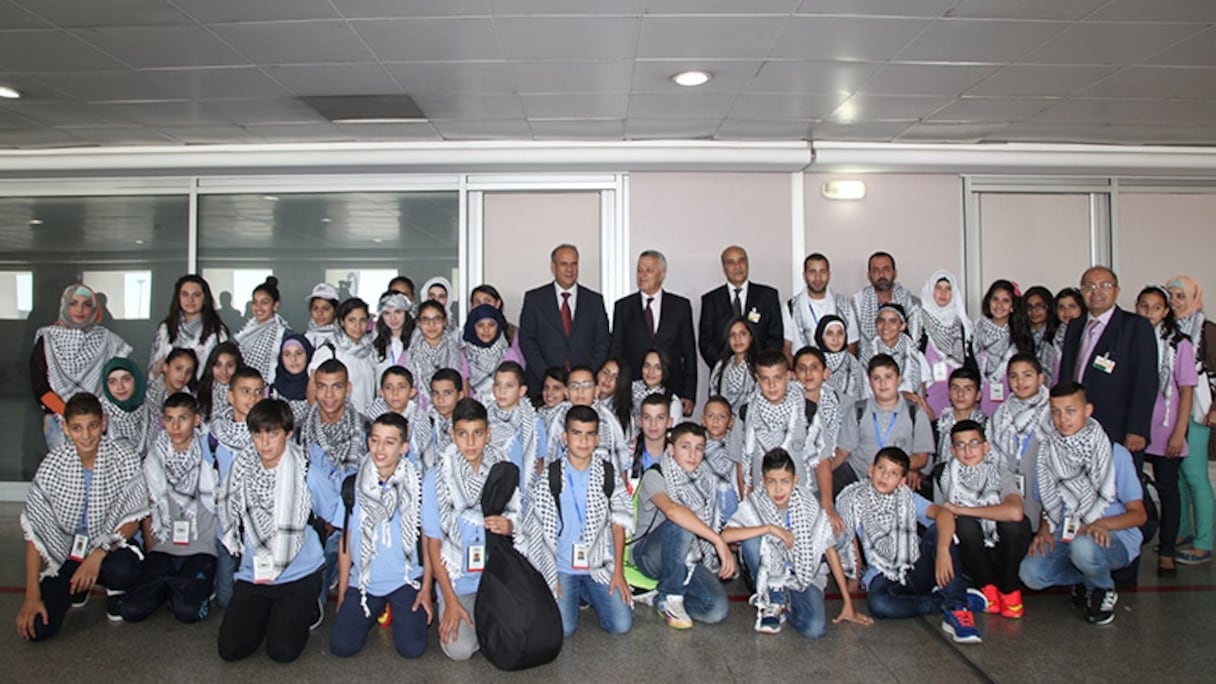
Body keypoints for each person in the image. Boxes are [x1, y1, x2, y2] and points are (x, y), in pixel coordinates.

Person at [17, 393, 147, 641]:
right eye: (77, 428)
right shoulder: (53, 464)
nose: (86, 435)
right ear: (65, 428)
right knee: (38, 627)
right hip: (70, 550)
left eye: (93, 426)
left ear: (104, 423)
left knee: (124, 570)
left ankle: (113, 589)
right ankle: (78, 585)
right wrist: (31, 596)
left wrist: (97, 554)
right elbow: (35, 530)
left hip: (111, 546)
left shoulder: (124, 457)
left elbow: (133, 518)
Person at [1019, 382, 1147, 626]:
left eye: (1070, 411)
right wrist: (1045, 530)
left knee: (1084, 548)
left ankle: (1102, 588)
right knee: (1031, 574)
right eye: (1056, 412)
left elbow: (1138, 515)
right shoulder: (1048, 453)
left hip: (1112, 536)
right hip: (1065, 531)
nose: (1062, 419)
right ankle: (1085, 578)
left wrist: (1102, 524)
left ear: (1088, 410)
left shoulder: (1114, 452)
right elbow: (1048, 504)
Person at [836, 447, 982, 644]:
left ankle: (957, 609)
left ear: (902, 481)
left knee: (938, 532)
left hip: (916, 566)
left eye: (894, 473)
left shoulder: (907, 497)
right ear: (871, 470)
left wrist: (942, 549)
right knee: (879, 605)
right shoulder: (853, 499)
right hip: (883, 574)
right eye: (881, 469)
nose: (885, 476)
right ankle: (943, 601)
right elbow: (849, 539)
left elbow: (944, 514)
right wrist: (853, 578)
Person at [216, 399, 325, 662]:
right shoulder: (241, 468)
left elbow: (333, 516)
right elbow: (227, 512)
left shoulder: (307, 471)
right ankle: (270, 612)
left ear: (288, 434)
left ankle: (309, 601)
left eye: (273, 433)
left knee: (283, 652)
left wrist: (300, 544)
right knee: (230, 649)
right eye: (258, 434)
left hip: (297, 572)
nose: (265, 443)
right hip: (256, 572)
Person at [723, 448, 870, 637]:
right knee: (750, 541)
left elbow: (829, 549)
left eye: (785, 481)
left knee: (814, 629)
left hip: (804, 573)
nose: (778, 489)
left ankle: (785, 605)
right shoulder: (756, 501)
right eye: (771, 482)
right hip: (768, 574)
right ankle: (772, 600)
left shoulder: (807, 504)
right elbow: (726, 535)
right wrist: (769, 528)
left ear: (795, 480)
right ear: (763, 480)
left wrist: (847, 602)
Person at [422, 398, 521, 661]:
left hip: (496, 575)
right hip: (459, 580)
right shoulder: (437, 477)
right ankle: (474, 619)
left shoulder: (502, 468)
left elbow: (521, 516)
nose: (470, 442)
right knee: (460, 650)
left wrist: (510, 524)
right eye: (463, 434)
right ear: (453, 435)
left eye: (477, 433)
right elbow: (433, 544)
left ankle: (486, 623)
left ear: (488, 435)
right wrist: (450, 600)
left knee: (521, 635)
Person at [522, 405, 635, 637]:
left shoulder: (608, 473)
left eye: (589, 434)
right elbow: (539, 532)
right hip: (562, 566)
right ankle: (577, 590)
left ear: (597, 439)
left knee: (621, 625)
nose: (583, 441)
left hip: (600, 561)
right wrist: (549, 577)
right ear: (565, 437)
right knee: (563, 629)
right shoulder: (551, 475)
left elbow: (619, 522)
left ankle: (587, 590)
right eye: (576, 433)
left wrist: (618, 573)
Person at [330, 413, 432, 659]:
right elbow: (346, 540)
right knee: (342, 646)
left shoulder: (418, 485)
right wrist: (343, 590)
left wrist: (427, 587)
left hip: (406, 579)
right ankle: (377, 607)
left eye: (389, 442)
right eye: (375, 440)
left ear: (404, 448)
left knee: (412, 649)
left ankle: (394, 607)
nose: (380, 449)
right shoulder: (353, 484)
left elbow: (429, 539)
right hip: (365, 580)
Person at [121, 393, 217, 624]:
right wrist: (153, 550)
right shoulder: (153, 458)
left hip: (200, 548)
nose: (175, 426)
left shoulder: (209, 455)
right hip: (164, 548)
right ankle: (171, 585)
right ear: (162, 421)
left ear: (195, 420)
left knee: (188, 612)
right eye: (169, 418)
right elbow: (148, 508)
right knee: (131, 610)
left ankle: (188, 588)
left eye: (182, 418)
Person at [631, 422, 735, 630]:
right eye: (685, 446)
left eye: (699, 448)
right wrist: (717, 541)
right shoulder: (656, 474)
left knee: (716, 610)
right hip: (649, 555)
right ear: (671, 449)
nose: (692, 454)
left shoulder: (707, 479)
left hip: (689, 557)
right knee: (681, 522)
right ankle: (670, 598)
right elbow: (671, 510)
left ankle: (659, 595)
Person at [934, 420, 1031, 620]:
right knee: (964, 525)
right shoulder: (944, 475)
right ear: (952, 450)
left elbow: (1015, 512)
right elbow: (942, 517)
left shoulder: (999, 471)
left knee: (1014, 525)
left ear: (986, 446)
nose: (968, 450)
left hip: (1002, 547)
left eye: (974, 443)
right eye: (961, 445)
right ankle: (986, 587)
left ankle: (1009, 587)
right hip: (970, 552)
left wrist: (963, 509)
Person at [821, 354, 935, 523]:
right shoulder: (858, 410)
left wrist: (901, 468)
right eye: (877, 378)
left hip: (895, 479)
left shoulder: (915, 412)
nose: (883, 383)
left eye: (888, 377)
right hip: (858, 476)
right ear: (869, 382)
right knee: (828, 496)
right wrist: (821, 475)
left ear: (899, 380)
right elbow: (842, 453)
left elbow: (922, 457)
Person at [1057, 267, 1157, 452]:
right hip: (1075, 425)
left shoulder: (1135, 327)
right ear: (1082, 292)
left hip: (1118, 427)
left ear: (1116, 291)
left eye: (1105, 285)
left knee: (1119, 480)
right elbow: (1067, 375)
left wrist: (1137, 429)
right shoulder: (1075, 326)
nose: (1096, 292)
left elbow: (1146, 381)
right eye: (1090, 286)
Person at [1136, 285, 1196, 575]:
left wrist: (1179, 431)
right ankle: (1135, 541)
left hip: (1166, 428)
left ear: (1166, 311)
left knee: (1168, 490)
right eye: (1143, 306)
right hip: (1135, 428)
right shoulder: (1130, 340)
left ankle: (1167, 551)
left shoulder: (1178, 344)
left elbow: (1186, 391)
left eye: (1156, 307)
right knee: (1133, 488)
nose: (1149, 313)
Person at [31, 283, 132, 450]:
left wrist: (91, 416)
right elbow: (39, 385)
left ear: (93, 309)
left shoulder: (107, 340)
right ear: (64, 307)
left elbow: (120, 378)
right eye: (73, 303)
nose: (80, 310)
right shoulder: (48, 338)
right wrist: (70, 414)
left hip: (97, 420)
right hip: (59, 419)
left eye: (86, 304)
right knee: (65, 472)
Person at [301, 360, 369, 599]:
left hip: (356, 516)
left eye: (336, 387)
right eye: (322, 387)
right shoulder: (301, 429)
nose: (329, 395)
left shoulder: (366, 428)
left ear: (348, 388)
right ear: (314, 388)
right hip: (312, 522)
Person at [518, 244, 611, 400]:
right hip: (544, 389)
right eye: (564, 264)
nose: (570, 269)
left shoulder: (594, 301)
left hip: (583, 391)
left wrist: (584, 377)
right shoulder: (534, 299)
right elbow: (527, 340)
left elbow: (603, 341)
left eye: (574, 264)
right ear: (553, 266)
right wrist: (549, 377)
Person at [611, 250, 698, 417]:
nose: (642, 275)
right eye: (639, 270)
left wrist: (689, 392)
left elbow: (689, 353)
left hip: (672, 389)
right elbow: (616, 351)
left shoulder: (680, 306)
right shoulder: (623, 307)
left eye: (649, 270)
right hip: (632, 392)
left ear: (662, 274)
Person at [1167, 275, 1216, 566]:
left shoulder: (1207, 330)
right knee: (1179, 477)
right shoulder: (1170, 330)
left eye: (1180, 296)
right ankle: (1183, 531)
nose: (1174, 302)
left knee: (1196, 477)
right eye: (1171, 296)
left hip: (1198, 413)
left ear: (1194, 297)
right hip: (1172, 412)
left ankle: (1204, 542)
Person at [209, 366, 264, 608]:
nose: (252, 398)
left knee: (256, 596)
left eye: (257, 392)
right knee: (226, 600)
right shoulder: (214, 436)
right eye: (245, 391)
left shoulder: (268, 434)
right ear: (230, 396)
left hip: (259, 526)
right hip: (227, 525)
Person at [698, 245, 784, 367]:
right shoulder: (711, 300)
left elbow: (775, 337)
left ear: (747, 264)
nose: (737, 266)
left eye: (741, 261)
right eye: (731, 262)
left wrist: (760, 366)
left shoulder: (768, 296)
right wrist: (728, 366)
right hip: (724, 374)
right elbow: (706, 342)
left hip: (761, 375)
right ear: (724, 268)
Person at [989, 354, 1050, 520]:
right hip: (1008, 489)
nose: (1020, 382)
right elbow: (990, 456)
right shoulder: (1000, 414)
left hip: (1044, 492)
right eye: (1014, 376)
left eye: (1027, 375)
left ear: (1040, 378)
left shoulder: (1053, 413)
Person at [546, 366, 631, 484]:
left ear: (596, 391)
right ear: (566, 392)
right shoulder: (558, 419)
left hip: (604, 484)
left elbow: (620, 454)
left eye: (586, 386)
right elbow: (550, 455)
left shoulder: (608, 418)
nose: (580, 391)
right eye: (574, 386)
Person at [741, 350, 807, 489]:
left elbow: (822, 460)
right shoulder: (746, 412)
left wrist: (825, 501)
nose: (771, 385)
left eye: (777, 378)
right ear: (757, 378)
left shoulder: (806, 409)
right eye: (765, 379)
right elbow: (740, 462)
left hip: (802, 492)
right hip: (762, 495)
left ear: (788, 376)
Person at [148, 274, 229, 382]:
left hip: (204, 395)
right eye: (185, 294)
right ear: (178, 298)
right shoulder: (166, 329)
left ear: (205, 298)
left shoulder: (217, 331)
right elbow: (154, 371)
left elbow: (223, 371)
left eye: (196, 295)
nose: (190, 300)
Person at [487, 361, 548, 497]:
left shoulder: (534, 422)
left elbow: (539, 464)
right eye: (498, 385)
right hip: (490, 492)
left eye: (509, 386)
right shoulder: (484, 418)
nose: (502, 391)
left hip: (523, 494)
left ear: (522, 391)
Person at [973, 280, 1034, 415]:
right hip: (980, 400)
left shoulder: (1020, 335)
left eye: (1005, 301)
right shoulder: (975, 330)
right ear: (989, 302)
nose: (999, 305)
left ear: (1012, 306)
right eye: (995, 299)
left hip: (1012, 401)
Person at [310, 298, 377, 416]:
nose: (358, 325)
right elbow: (312, 390)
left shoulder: (370, 351)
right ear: (342, 322)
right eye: (352, 320)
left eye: (362, 320)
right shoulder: (329, 350)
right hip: (339, 421)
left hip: (366, 419)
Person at [785, 252, 860, 356]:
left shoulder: (844, 305)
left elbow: (852, 345)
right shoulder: (791, 307)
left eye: (822, 272)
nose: (818, 278)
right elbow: (787, 348)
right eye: (812, 272)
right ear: (804, 275)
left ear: (829, 274)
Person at [919, 270, 972, 417]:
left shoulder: (962, 324)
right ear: (930, 291)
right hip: (928, 401)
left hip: (958, 400)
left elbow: (969, 363)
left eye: (948, 289)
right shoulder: (920, 321)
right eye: (938, 288)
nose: (943, 293)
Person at [858, 303, 931, 410]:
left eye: (892, 321)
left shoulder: (915, 355)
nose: (885, 326)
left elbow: (922, 395)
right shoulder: (867, 356)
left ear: (902, 326)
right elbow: (865, 393)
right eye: (881, 321)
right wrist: (902, 396)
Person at [851, 251, 922, 347]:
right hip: (867, 358)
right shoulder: (857, 302)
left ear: (894, 273)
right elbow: (852, 340)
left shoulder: (910, 301)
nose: (881, 275)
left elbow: (915, 340)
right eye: (876, 271)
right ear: (869, 275)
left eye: (886, 269)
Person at [794, 346, 844, 479]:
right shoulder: (787, 402)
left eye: (814, 367)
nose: (808, 373)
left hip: (825, 468)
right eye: (802, 368)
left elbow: (833, 446)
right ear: (794, 375)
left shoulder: (834, 401)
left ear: (825, 373)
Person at [404, 300, 463, 412]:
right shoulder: (407, 356)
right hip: (418, 415)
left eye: (437, 319)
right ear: (418, 323)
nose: (432, 325)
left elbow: (463, 390)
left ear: (445, 322)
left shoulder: (458, 354)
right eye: (426, 320)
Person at [461, 303, 525, 404]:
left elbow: (516, 389)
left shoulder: (508, 354)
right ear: (472, 328)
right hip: (473, 412)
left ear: (498, 327)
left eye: (491, 325)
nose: (486, 330)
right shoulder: (463, 356)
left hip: (505, 410)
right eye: (480, 325)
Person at [366, 366, 426, 469]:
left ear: (412, 392)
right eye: (389, 387)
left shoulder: (420, 418)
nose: (395, 393)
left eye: (401, 387)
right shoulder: (371, 415)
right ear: (381, 393)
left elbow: (423, 458)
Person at [234, 277, 290, 385]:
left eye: (264, 302)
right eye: (255, 302)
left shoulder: (282, 335)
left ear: (275, 305)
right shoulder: (246, 331)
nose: (258, 307)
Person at [933, 367, 987, 472]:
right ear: (949, 393)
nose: (960, 394)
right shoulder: (936, 427)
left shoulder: (989, 427)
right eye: (955, 388)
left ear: (978, 395)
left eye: (968, 389)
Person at [702, 396, 744, 523]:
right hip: (706, 503)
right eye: (711, 416)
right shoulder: (697, 445)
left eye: (722, 417)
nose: (716, 421)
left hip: (732, 501)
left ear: (730, 422)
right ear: (703, 420)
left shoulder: (737, 445)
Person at [99, 357, 150, 457]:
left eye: (126, 379)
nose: (120, 387)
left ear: (136, 379)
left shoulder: (150, 408)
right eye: (112, 382)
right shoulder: (98, 411)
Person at [415, 368, 464, 471]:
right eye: (435, 393)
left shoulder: (468, 424)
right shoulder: (425, 421)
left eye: (447, 393)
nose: (441, 399)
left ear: (460, 395)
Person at [708, 317, 758, 415]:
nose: (737, 339)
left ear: (751, 337)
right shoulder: (721, 366)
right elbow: (714, 394)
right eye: (732, 335)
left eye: (742, 334)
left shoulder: (759, 366)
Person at [628, 348, 683, 429]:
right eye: (647, 366)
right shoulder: (628, 390)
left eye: (657, 367)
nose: (651, 371)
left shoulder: (673, 401)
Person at [629, 392, 674, 484]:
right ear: (639, 421)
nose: (653, 423)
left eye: (660, 418)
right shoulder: (627, 452)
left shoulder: (677, 454)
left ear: (669, 422)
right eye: (647, 417)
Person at [816, 315, 864, 401]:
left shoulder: (852, 362)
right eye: (830, 334)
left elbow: (862, 393)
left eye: (840, 333)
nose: (835, 338)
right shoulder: (814, 360)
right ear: (821, 336)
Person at [269, 334, 314, 425]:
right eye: (287, 354)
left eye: (299, 353)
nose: (293, 359)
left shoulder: (315, 388)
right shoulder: (271, 391)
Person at [372, 290, 415, 383]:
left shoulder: (417, 341)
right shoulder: (374, 344)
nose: (393, 318)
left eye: (398, 312)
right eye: (387, 313)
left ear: (406, 313)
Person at [1023, 285, 1061, 386]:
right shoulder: (1019, 335)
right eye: (1029, 307)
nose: (1034, 311)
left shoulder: (1059, 335)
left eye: (1039, 306)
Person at [470, 284, 523, 356]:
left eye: (487, 301)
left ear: (498, 304)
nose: (482, 306)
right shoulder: (464, 335)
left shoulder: (512, 333)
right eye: (477, 302)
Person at [197, 341, 242, 426]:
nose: (224, 371)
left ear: (237, 366)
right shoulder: (201, 393)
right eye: (218, 365)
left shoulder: (244, 394)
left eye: (229, 365)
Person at [1052, 287, 1088, 382]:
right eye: (1061, 307)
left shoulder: (1088, 334)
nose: (1066, 311)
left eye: (1072, 306)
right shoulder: (1052, 335)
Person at [304, 282, 341, 350]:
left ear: (336, 310)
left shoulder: (345, 340)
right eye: (315, 308)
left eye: (325, 309)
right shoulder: (303, 340)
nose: (320, 313)